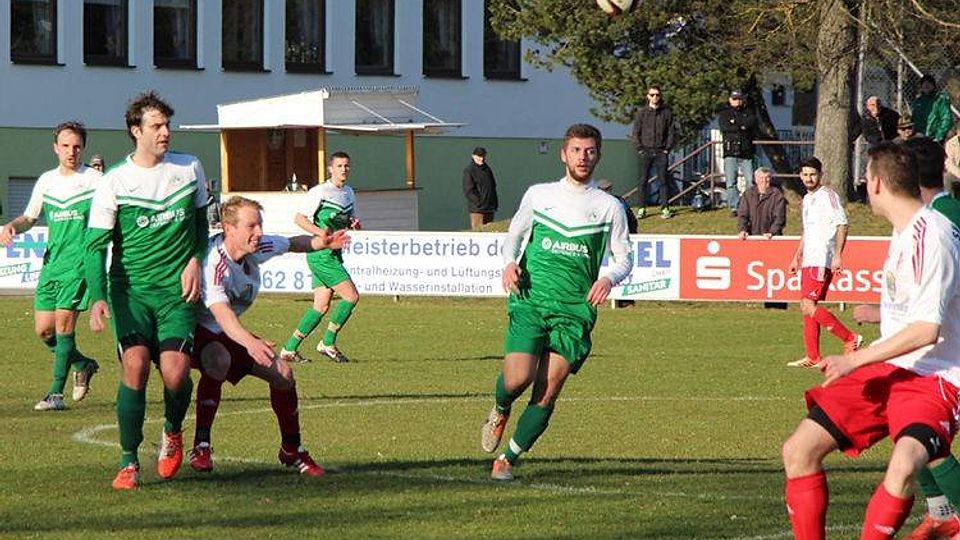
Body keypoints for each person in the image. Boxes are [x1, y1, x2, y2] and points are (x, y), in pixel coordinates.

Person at [781, 141, 960, 540]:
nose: (864, 184)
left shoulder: (932, 235)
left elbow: (926, 330)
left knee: (904, 465)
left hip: (936, 377)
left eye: (865, 176)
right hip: (892, 367)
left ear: (877, 183)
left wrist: (854, 360)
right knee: (798, 450)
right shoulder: (905, 231)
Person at [479, 124, 633, 481]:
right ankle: (500, 408)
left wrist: (608, 278)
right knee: (517, 378)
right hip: (532, 299)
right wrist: (509, 263)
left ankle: (507, 459)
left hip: (574, 311)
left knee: (547, 390)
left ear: (598, 156)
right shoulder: (539, 195)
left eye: (590, 151)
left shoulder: (610, 207)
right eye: (576, 150)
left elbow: (625, 258)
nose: (583, 157)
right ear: (564, 154)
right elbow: (514, 235)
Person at [85, 91, 210, 490]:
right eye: (156, 126)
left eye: (167, 125)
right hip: (132, 293)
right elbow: (95, 246)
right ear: (135, 130)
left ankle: (172, 430)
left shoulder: (189, 168)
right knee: (136, 364)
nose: (165, 132)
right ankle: (128, 460)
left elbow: (202, 226)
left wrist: (195, 260)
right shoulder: (114, 180)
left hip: (177, 292)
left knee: (175, 373)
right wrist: (97, 296)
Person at [188, 196, 348, 477]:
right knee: (219, 359)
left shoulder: (256, 246)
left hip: (226, 330)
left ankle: (292, 449)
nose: (259, 232)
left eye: (260, 224)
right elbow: (222, 315)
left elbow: (293, 243)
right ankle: (201, 446)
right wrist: (250, 342)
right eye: (251, 226)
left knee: (283, 374)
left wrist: (321, 242)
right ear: (228, 228)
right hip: (194, 330)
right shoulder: (214, 262)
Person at [887, 138, 960, 540]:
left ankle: (944, 514)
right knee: (918, 434)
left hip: (947, 352)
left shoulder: (939, 219)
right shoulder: (931, 216)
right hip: (936, 348)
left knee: (922, 434)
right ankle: (940, 514)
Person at [0, 121, 101, 411]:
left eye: (77, 146)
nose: (71, 151)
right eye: (66, 146)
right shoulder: (47, 181)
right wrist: (12, 226)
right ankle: (82, 364)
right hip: (51, 265)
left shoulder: (95, 181)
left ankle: (55, 395)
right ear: (56, 148)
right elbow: (30, 217)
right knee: (44, 331)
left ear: (83, 148)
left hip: (79, 265)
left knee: (64, 324)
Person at [280, 151, 361, 364]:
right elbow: (299, 218)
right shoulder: (320, 192)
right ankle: (327, 343)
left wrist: (354, 224)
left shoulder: (349, 193)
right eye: (339, 166)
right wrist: (320, 233)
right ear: (330, 169)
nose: (344, 169)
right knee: (351, 297)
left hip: (333, 253)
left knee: (320, 307)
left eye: (346, 165)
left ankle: (289, 349)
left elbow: (350, 219)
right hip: (320, 255)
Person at [786, 157, 862, 368]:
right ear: (800, 175)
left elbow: (842, 224)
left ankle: (850, 338)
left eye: (813, 174)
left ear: (820, 175)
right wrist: (796, 256)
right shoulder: (807, 199)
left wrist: (837, 255)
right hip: (809, 259)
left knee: (809, 305)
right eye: (805, 174)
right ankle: (812, 356)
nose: (809, 178)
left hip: (821, 258)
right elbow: (807, 230)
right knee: (806, 306)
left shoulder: (828, 195)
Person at [632, 85, 676, 219]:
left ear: (660, 96)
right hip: (645, 151)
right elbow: (636, 132)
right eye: (652, 95)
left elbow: (671, 132)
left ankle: (665, 208)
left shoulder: (666, 113)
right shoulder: (642, 113)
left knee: (663, 180)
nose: (655, 97)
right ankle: (641, 209)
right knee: (643, 181)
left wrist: (667, 149)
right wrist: (639, 148)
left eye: (657, 95)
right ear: (648, 96)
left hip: (661, 151)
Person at [719, 90, 758, 215]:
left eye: (739, 98)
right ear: (730, 99)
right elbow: (725, 128)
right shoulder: (724, 114)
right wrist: (741, 127)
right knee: (730, 182)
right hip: (730, 151)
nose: (737, 101)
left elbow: (751, 124)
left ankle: (749, 205)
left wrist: (737, 125)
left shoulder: (749, 112)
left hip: (746, 152)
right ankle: (735, 207)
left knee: (750, 180)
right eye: (734, 98)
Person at [736, 168, 786, 240]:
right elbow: (742, 215)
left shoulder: (777, 195)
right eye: (761, 178)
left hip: (771, 238)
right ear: (756, 179)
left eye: (767, 177)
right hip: (751, 237)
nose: (764, 180)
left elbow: (780, 218)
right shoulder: (747, 194)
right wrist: (743, 230)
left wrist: (772, 232)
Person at [462, 147, 499, 231]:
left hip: (490, 208)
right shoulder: (469, 170)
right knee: (478, 233)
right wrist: (479, 203)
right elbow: (469, 190)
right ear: (473, 156)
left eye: (483, 156)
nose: (481, 158)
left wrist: (494, 203)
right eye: (479, 156)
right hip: (478, 210)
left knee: (489, 232)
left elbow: (492, 186)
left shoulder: (487, 169)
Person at [912, 74, 954, 143]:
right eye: (924, 83)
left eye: (929, 83)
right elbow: (914, 118)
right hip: (919, 136)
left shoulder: (940, 99)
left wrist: (939, 136)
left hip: (934, 138)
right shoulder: (919, 101)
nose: (926, 85)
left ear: (933, 85)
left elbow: (946, 118)